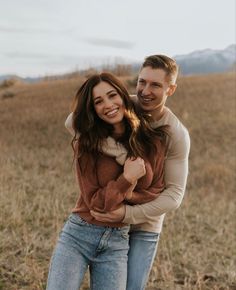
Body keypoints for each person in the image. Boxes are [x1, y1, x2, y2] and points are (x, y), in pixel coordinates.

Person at [65, 54, 190, 290]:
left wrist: (127, 214)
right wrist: (121, 156)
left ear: (171, 89)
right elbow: (72, 122)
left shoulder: (176, 134)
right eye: (142, 82)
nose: (145, 90)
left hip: (143, 224)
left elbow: (174, 195)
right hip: (105, 217)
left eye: (155, 85)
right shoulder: (122, 104)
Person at [47, 72, 169, 290]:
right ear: (93, 109)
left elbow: (156, 191)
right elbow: (96, 203)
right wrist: (127, 179)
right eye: (98, 101)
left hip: (117, 242)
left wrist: (128, 194)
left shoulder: (152, 141)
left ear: (123, 96)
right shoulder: (87, 144)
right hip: (79, 235)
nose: (108, 105)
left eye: (112, 95)